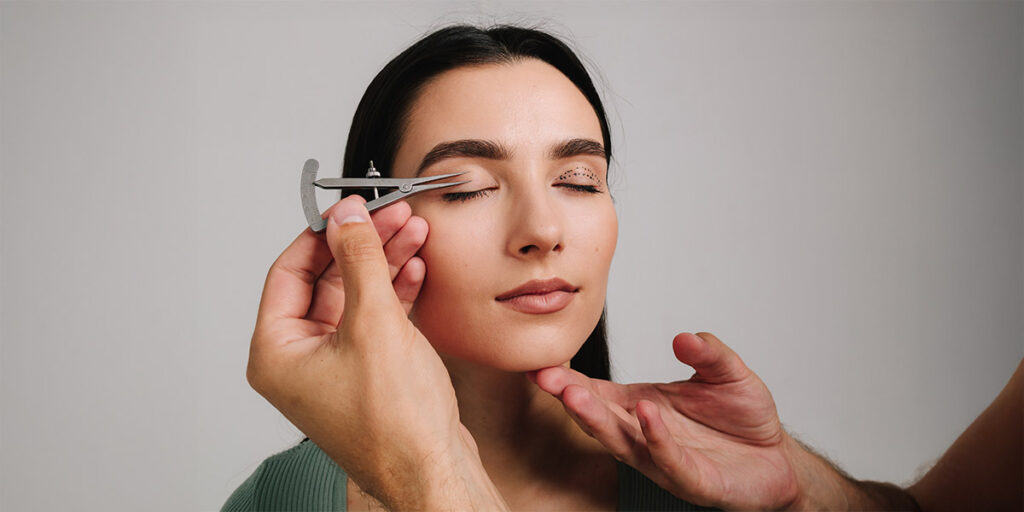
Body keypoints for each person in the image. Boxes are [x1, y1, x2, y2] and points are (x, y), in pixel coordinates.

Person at [223, 24, 713, 511]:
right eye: (468, 188)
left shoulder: (711, 483)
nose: (542, 231)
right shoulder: (278, 499)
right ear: (375, 222)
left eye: (579, 181)